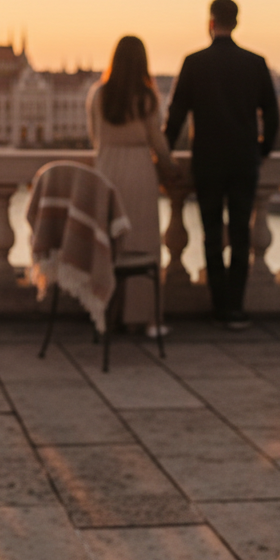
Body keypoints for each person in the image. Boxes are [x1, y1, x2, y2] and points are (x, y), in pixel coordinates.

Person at [164, 0, 279, 329]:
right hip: (244, 160)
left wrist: (165, 153)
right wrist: (262, 149)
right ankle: (236, 307)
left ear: (209, 22)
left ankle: (219, 305)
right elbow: (271, 113)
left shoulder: (194, 62)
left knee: (212, 233)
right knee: (241, 233)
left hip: (209, 161)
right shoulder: (255, 63)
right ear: (237, 22)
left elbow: (176, 114)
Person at [87, 35, 181, 336]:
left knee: (109, 246)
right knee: (143, 246)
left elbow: (95, 137)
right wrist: (170, 168)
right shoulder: (148, 97)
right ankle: (147, 319)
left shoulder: (98, 95)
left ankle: (105, 315)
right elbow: (158, 142)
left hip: (107, 170)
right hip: (140, 171)